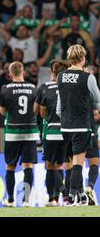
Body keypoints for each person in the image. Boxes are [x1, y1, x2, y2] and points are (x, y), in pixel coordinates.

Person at [57, 45, 100, 206]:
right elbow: (97, 99)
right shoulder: (88, 77)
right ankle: (72, 196)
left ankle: (76, 196)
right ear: (82, 58)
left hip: (65, 126)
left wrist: (66, 118)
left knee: (70, 162)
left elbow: (59, 107)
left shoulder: (60, 76)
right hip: (82, 126)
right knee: (78, 163)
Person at [0, 61, 39, 207]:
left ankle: (10, 199)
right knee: (28, 166)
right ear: (23, 72)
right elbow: (36, 109)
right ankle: (27, 200)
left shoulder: (5, 89)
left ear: (10, 74)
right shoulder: (33, 88)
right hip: (30, 132)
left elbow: (3, 112)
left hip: (12, 133)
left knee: (10, 166)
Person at [35, 60, 70, 207]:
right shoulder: (68, 88)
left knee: (50, 166)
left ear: (52, 73)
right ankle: (60, 197)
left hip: (50, 132)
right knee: (60, 165)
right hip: (66, 131)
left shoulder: (44, 88)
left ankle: (56, 198)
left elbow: (40, 113)